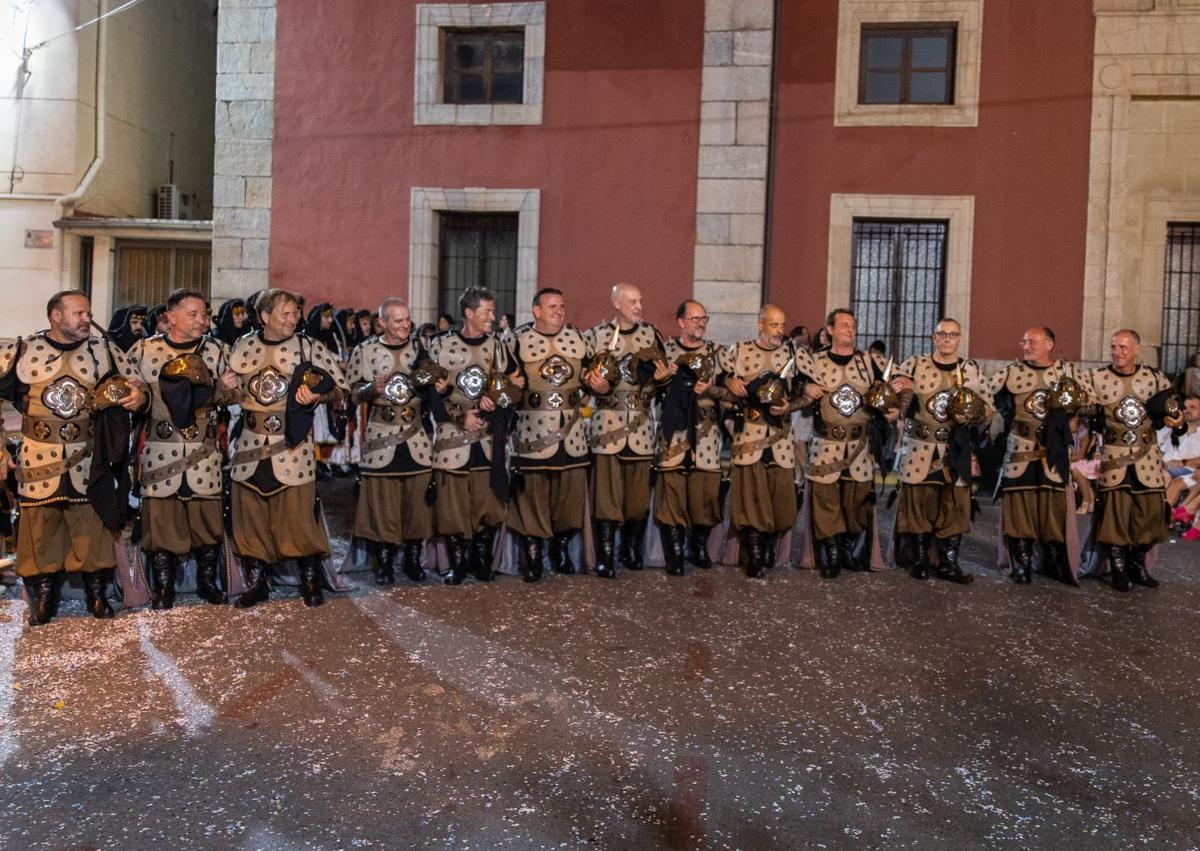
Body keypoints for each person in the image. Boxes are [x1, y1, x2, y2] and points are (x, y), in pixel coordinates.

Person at [0, 291, 145, 625]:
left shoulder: (104, 350)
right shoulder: (23, 351)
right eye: (79, 313)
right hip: (38, 457)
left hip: (88, 457)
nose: (86, 319)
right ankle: (44, 598)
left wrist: (138, 397)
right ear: (56, 316)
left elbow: (140, 387)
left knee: (91, 527)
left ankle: (97, 594)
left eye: (88, 313)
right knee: (40, 529)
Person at [226, 288, 348, 608]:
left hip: (293, 447)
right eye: (286, 313)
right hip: (251, 446)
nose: (294, 319)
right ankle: (257, 582)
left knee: (297, 516)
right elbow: (228, 395)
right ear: (265, 316)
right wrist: (221, 389)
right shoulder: (243, 347)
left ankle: (310, 579)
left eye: (295, 313)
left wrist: (319, 395)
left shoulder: (308, 347)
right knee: (251, 515)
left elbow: (339, 389)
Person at [127, 289, 240, 608]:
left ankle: (206, 581)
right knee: (161, 520)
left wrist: (222, 392)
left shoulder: (218, 351)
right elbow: (138, 396)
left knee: (206, 519)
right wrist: (136, 399)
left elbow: (236, 395)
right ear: (170, 316)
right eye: (193, 314)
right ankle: (164, 587)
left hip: (203, 450)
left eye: (204, 314)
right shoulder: (144, 351)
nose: (202, 320)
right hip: (161, 449)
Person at [798, 308, 903, 578]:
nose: (850, 329)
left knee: (857, 501)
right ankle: (831, 552)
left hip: (859, 447)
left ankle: (850, 547)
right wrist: (805, 389)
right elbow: (792, 384)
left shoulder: (870, 362)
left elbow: (901, 384)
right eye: (844, 325)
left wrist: (895, 408)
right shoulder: (814, 360)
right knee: (826, 500)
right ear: (830, 329)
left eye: (853, 325)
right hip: (826, 444)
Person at [428, 286, 523, 584]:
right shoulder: (440, 346)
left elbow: (517, 386)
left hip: (486, 438)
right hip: (452, 437)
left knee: (486, 500)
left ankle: (481, 557)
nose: (492, 317)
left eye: (493, 311)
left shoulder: (498, 347)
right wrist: (458, 415)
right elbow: (427, 393)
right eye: (487, 312)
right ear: (469, 313)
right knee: (453, 502)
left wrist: (497, 400)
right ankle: (458, 560)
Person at [891, 318, 992, 584]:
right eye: (941, 334)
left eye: (952, 335)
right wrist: (904, 392)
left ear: (960, 338)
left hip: (955, 448)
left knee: (955, 505)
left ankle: (948, 563)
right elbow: (895, 401)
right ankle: (920, 559)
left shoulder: (970, 370)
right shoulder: (914, 365)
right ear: (933, 337)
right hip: (920, 447)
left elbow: (989, 410)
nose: (946, 339)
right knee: (919, 504)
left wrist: (974, 414)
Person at [1081, 329, 1183, 591]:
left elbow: (1174, 412)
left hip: (1146, 458)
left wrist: (1177, 420)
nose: (1117, 352)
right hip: (1115, 458)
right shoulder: (1097, 378)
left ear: (1137, 349)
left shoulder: (1155, 378)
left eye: (1123, 347)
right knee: (1115, 515)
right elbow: (1084, 409)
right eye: (1114, 347)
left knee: (1150, 514)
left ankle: (1137, 564)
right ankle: (1118, 568)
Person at [346, 297, 437, 584]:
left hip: (415, 438)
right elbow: (351, 394)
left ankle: (412, 559)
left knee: (417, 502)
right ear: (381, 323)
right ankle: (383, 562)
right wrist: (371, 388)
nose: (405, 325)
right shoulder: (365, 350)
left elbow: (434, 388)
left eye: (407, 319)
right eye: (398, 320)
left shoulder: (422, 349)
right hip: (381, 439)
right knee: (382, 503)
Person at [988, 326, 1088, 584]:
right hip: (1021, 450)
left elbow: (1091, 400)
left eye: (1032, 341)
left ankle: (1053, 560)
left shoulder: (1068, 372)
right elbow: (984, 395)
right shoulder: (1011, 373)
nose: (1026, 346)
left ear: (1048, 344)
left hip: (1052, 454)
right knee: (1020, 507)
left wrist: (1075, 418)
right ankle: (1021, 563)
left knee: (1054, 508)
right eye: (1023, 341)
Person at [506, 288, 593, 581]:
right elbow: (505, 386)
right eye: (552, 306)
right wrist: (510, 386)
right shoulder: (515, 341)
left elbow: (595, 385)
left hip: (572, 433)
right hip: (533, 431)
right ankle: (533, 552)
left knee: (568, 494)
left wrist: (600, 385)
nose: (559, 310)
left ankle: (561, 547)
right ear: (536, 310)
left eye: (562, 305)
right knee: (533, 493)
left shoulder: (579, 339)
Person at [583, 283, 668, 578]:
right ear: (616, 303)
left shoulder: (651, 336)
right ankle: (605, 553)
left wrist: (661, 379)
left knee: (637, 496)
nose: (639, 306)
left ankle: (630, 548)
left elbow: (661, 379)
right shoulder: (596, 337)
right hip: (608, 423)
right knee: (605, 495)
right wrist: (600, 388)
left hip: (641, 426)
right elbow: (585, 378)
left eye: (640, 300)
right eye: (632, 301)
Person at [721, 305, 802, 577]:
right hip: (751, 436)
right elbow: (719, 382)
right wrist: (729, 382)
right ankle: (753, 553)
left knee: (780, 498)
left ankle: (768, 546)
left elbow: (809, 391)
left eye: (782, 325)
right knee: (751, 498)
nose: (779, 330)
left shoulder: (793, 353)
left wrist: (791, 405)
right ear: (760, 324)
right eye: (774, 325)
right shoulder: (739, 351)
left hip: (780, 440)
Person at [655, 300, 727, 575]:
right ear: (681, 322)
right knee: (672, 493)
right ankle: (674, 552)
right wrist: (663, 380)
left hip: (706, 434)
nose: (700, 323)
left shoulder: (718, 354)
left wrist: (713, 390)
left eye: (703, 319)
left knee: (705, 495)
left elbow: (731, 395)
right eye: (694, 318)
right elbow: (650, 389)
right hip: (674, 435)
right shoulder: (666, 352)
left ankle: (698, 545)